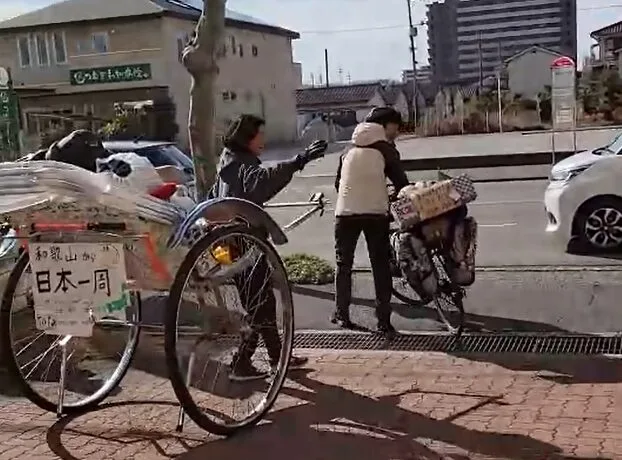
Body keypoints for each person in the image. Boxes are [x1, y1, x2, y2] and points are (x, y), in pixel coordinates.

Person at [209, 114, 328, 381]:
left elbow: (214, 198)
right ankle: (241, 363)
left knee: (261, 303)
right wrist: (300, 160)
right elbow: (262, 182)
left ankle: (277, 358)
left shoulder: (228, 163)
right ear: (247, 138)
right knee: (259, 305)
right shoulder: (241, 164)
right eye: (259, 135)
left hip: (235, 242)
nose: (263, 140)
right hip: (244, 244)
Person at [332, 107, 409, 335]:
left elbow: (338, 184)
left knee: (343, 264)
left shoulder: (348, 149)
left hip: (344, 213)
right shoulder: (386, 149)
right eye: (395, 126)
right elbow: (402, 184)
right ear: (385, 125)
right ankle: (383, 321)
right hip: (375, 214)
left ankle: (341, 315)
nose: (397, 132)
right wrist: (387, 195)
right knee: (380, 266)